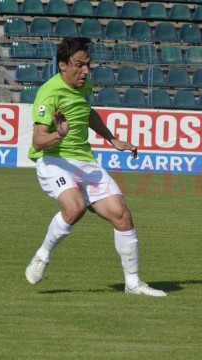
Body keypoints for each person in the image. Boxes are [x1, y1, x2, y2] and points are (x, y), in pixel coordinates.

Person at [24, 37, 165, 297]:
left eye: (88, 65)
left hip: (84, 161)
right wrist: (60, 134)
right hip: (54, 159)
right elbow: (38, 140)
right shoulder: (49, 92)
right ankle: (42, 256)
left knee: (122, 214)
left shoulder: (85, 85)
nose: (86, 71)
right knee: (75, 207)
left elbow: (87, 112)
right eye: (79, 65)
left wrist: (112, 140)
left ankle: (132, 283)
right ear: (63, 65)